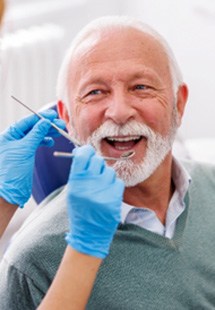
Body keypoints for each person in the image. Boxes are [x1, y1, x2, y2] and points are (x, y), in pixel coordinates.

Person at [1, 15, 215, 309]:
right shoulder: (33, 263)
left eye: (140, 87)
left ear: (179, 103)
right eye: (95, 92)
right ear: (67, 118)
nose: (119, 112)